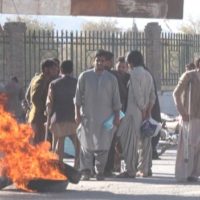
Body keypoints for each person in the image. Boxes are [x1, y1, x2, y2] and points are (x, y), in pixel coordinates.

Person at [74, 49, 121, 181]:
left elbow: (116, 100)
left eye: (102, 61)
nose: (100, 63)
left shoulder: (111, 79)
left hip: (106, 118)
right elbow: (77, 98)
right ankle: (86, 171)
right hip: (88, 117)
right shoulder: (84, 76)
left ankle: (100, 171)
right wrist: (77, 114)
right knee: (86, 145)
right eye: (97, 60)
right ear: (93, 61)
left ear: (105, 62)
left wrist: (117, 116)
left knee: (104, 145)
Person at [117, 50, 156, 178]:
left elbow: (138, 94)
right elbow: (152, 96)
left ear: (131, 61)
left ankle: (131, 170)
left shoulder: (133, 73)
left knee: (129, 141)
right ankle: (144, 169)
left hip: (134, 113)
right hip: (146, 113)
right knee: (145, 142)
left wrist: (143, 109)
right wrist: (148, 111)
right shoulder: (148, 74)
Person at [46, 60, 79, 167]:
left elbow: (49, 103)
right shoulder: (77, 82)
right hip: (74, 117)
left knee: (59, 143)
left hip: (58, 118)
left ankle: (59, 166)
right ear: (72, 70)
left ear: (61, 69)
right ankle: (77, 166)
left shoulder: (54, 84)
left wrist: (48, 117)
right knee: (77, 143)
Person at [173, 59, 200, 182]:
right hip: (190, 116)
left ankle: (194, 173)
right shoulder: (189, 75)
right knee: (188, 144)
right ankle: (183, 173)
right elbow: (176, 93)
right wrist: (182, 112)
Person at [104, 53, 130, 176]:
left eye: (124, 67)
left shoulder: (129, 78)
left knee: (118, 140)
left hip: (121, 113)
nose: (121, 69)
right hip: (114, 113)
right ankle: (110, 167)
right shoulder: (113, 75)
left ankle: (116, 167)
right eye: (119, 67)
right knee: (111, 139)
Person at [26, 59, 58, 145]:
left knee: (39, 143)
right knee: (38, 144)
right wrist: (44, 110)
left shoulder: (42, 79)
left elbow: (27, 97)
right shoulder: (41, 80)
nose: (56, 71)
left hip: (37, 117)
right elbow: (35, 98)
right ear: (46, 69)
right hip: (38, 118)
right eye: (53, 69)